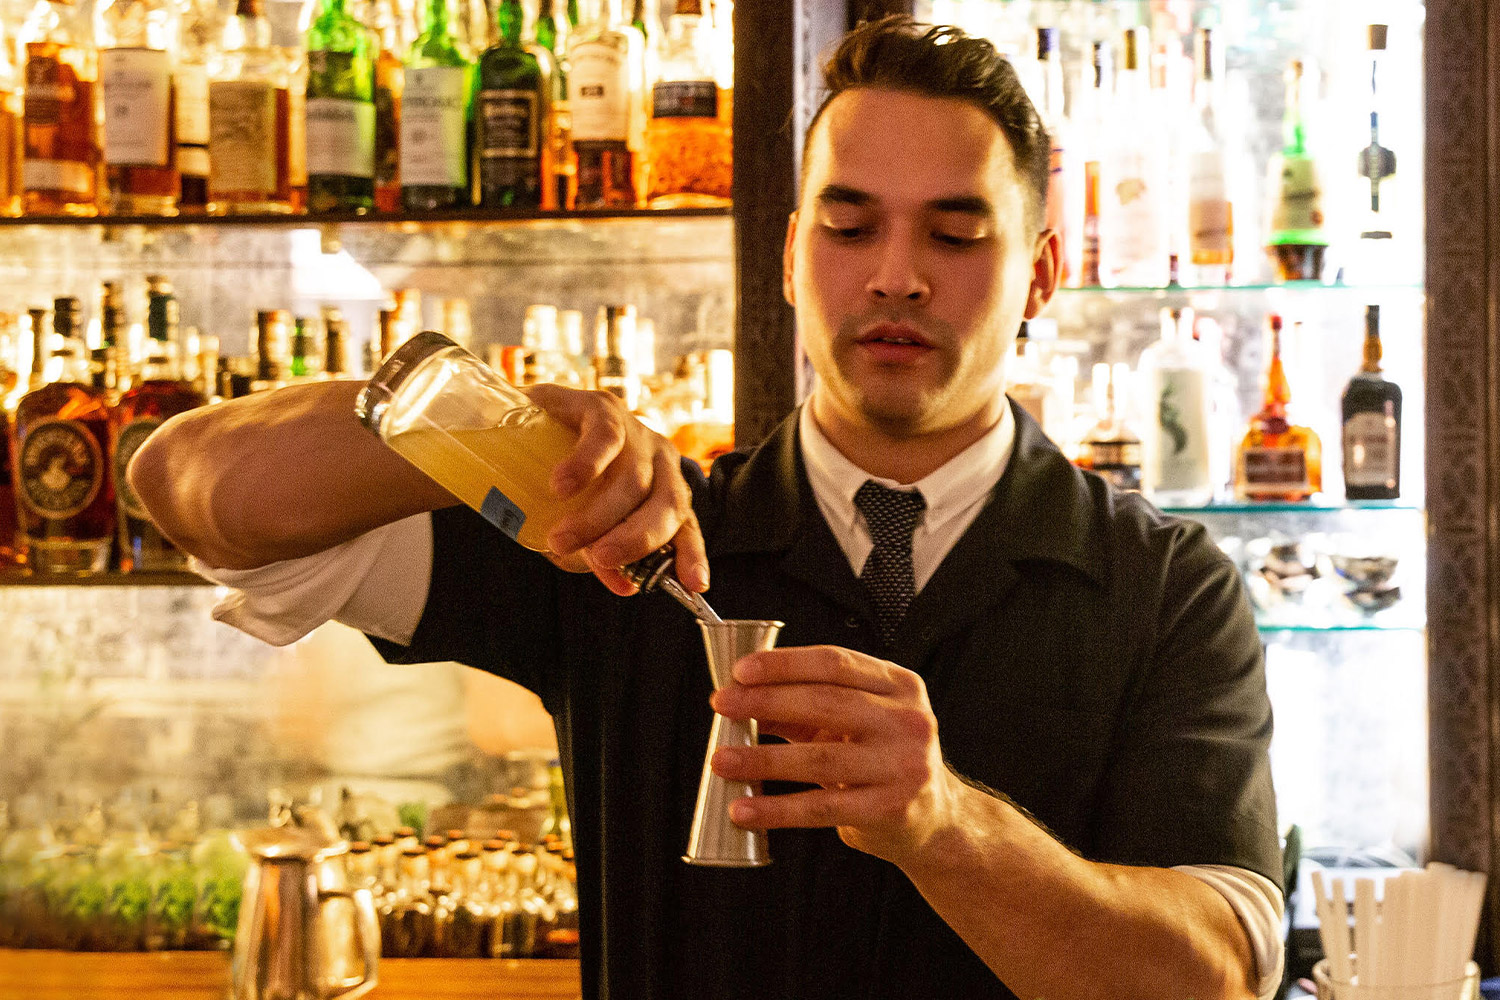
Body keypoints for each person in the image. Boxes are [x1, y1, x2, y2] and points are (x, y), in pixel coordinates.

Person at [132, 17, 1283, 1000]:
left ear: (1039, 272)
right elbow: (191, 490)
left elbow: (1221, 966)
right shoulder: (623, 532)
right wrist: (479, 418)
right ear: (789, 257)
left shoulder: (1164, 585)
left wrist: (944, 826)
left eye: (956, 231)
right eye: (848, 226)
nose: (896, 275)